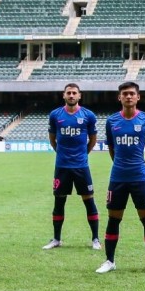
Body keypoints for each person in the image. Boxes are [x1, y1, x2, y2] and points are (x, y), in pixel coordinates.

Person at [95, 82, 145, 275]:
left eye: (132, 94)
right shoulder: (112, 121)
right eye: (125, 94)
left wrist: (143, 167)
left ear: (138, 97)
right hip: (118, 178)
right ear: (119, 97)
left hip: (140, 178)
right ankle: (109, 261)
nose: (129, 97)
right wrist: (120, 165)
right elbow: (112, 148)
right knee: (113, 220)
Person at [43, 83, 100, 250]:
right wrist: (61, 153)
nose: (71, 95)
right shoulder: (55, 115)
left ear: (79, 95)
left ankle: (95, 239)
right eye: (69, 93)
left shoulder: (88, 115)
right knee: (59, 202)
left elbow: (93, 140)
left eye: (74, 93)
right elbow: (53, 139)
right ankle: (56, 239)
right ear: (64, 95)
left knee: (89, 201)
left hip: (81, 166)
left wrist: (83, 154)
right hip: (62, 166)